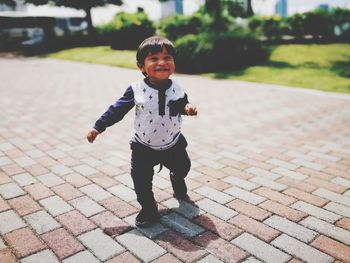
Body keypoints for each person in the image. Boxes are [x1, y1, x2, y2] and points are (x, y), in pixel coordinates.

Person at [87, 36, 197, 228]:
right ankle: (148, 208)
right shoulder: (137, 89)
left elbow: (181, 103)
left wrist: (187, 108)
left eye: (167, 57)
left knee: (184, 167)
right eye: (154, 58)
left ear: (174, 63)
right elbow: (117, 109)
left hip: (173, 142)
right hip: (143, 146)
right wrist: (98, 127)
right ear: (141, 66)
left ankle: (176, 177)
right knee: (141, 181)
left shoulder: (177, 87)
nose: (162, 62)